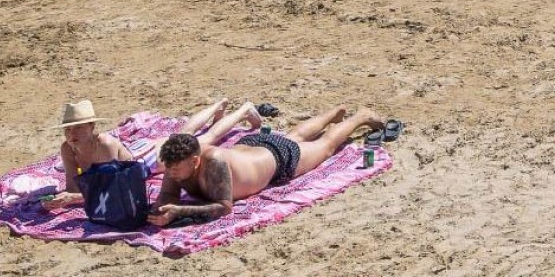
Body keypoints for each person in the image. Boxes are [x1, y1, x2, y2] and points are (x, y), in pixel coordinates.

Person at [149, 105, 385, 226]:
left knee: (326, 145)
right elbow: (169, 194)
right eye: (170, 168)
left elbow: (224, 207)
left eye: (176, 169)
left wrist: (181, 211)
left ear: (195, 160)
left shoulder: (215, 162)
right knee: (294, 136)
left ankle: (360, 117)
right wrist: (160, 211)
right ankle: (333, 113)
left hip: (278, 158)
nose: (171, 173)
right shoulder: (176, 163)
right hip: (251, 147)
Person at [41, 98, 261, 213]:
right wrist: (62, 200)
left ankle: (243, 110)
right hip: (135, 149)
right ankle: (218, 106)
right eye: (68, 129)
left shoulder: (105, 144)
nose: (72, 134)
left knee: (201, 140)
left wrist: (75, 198)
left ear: (91, 127)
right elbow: (72, 186)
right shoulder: (68, 148)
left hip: (145, 159)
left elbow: (115, 189)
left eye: (78, 128)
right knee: (183, 133)